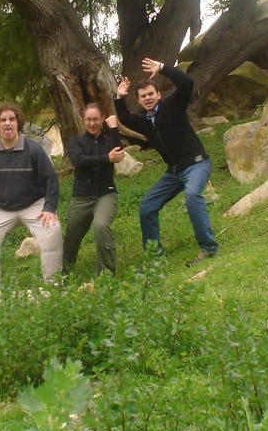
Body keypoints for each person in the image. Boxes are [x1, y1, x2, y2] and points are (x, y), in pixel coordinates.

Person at [115, 58, 218, 267]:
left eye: (150, 94)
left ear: (159, 95)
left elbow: (187, 83)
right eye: (143, 96)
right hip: (174, 172)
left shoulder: (173, 105)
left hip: (196, 163)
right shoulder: (145, 122)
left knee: (192, 196)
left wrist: (163, 68)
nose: (147, 98)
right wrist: (119, 97)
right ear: (139, 101)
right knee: (146, 207)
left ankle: (208, 248)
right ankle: (155, 259)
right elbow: (125, 118)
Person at [0, 102, 63, 289]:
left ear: (18, 123)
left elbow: (51, 180)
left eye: (12, 119)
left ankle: (53, 288)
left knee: (52, 229)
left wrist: (49, 208)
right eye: (3, 120)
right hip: (3, 208)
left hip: (34, 205)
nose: (7, 123)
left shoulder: (34, 150)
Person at [63, 103, 124, 276]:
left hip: (106, 194)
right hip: (81, 196)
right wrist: (106, 158)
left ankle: (105, 276)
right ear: (83, 121)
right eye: (88, 120)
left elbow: (118, 153)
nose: (92, 123)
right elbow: (79, 161)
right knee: (71, 236)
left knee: (101, 225)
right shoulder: (75, 142)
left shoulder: (108, 141)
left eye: (96, 119)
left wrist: (114, 128)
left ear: (102, 119)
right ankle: (64, 272)